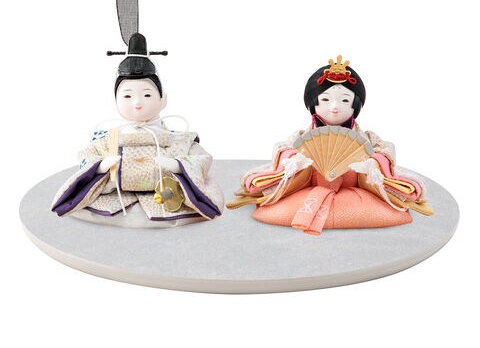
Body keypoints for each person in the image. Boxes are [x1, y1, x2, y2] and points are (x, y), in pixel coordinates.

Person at [226, 56, 432, 235]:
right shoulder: (301, 137)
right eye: (325, 99)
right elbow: (283, 150)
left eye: (345, 100)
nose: (334, 107)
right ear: (313, 103)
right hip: (310, 186)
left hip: (354, 189)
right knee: (276, 207)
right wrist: (294, 162)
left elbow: (384, 151)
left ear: (355, 104)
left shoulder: (368, 138)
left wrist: (372, 165)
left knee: (381, 210)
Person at [51, 33, 224, 228]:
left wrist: (178, 165)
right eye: (127, 96)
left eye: (147, 95)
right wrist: (100, 166)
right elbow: (86, 156)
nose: (137, 103)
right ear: (115, 103)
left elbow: (202, 158)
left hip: (167, 196)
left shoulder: (179, 140)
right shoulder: (107, 139)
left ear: (163, 100)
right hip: (115, 199)